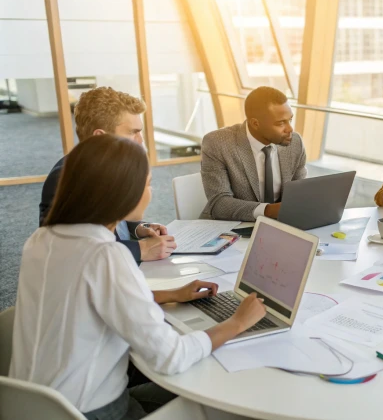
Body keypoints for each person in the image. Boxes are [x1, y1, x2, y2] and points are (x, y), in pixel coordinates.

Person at [11, 135, 268, 420]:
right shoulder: (106, 255)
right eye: (147, 183)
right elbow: (171, 357)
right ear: (122, 193)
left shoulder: (41, 239)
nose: (150, 190)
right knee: (220, 399)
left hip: (30, 405)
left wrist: (169, 295)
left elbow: (82, 298)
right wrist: (237, 323)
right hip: (91, 411)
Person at [39, 87, 174, 264]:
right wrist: (142, 249)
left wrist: (138, 229)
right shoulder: (67, 180)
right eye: (132, 132)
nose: (141, 141)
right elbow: (77, 252)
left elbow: (106, 220)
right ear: (100, 138)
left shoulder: (110, 168)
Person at [201, 86, 307, 221]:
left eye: (290, 120)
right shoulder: (218, 143)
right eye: (281, 123)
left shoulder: (295, 142)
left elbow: (299, 192)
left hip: (281, 224)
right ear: (255, 123)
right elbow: (219, 204)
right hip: (233, 226)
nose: (290, 129)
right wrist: (268, 210)